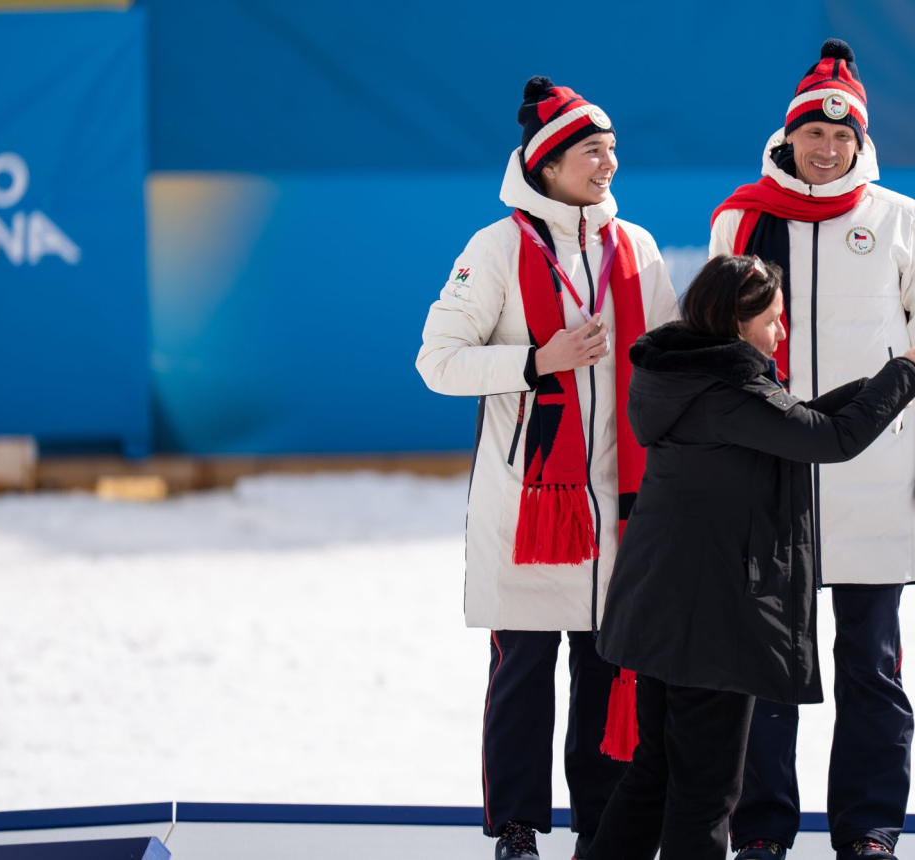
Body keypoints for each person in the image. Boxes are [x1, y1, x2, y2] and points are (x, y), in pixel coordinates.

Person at [586, 254, 915, 860]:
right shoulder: (725, 392)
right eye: (772, 321)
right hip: (708, 620)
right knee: (706, 791)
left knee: (655, 773)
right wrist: (904, 373)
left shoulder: (687, 375)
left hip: (659, 605)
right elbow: (828, 439)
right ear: (736, 323)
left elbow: (800, 419)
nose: (780, 334)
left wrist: (880, 381)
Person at [708, 39, 915, 860]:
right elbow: (720, 353)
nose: (826, 151)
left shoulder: (902, 220)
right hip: (770, 479)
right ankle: (760, 833)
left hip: (875, 483)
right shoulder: (742, 218)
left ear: (861, 144)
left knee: (871, 670)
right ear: (787, 139)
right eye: (812, 137)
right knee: (766, 675)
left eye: (843, 138)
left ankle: (867, 831)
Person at [415, 76, 679, 860]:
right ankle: (518, 829)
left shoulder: (636, 247)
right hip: (530, 508)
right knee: (524, 677)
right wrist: (538, 360)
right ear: (549, 163)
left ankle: (603, 830)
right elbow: (437, 362)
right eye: (593, 152)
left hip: (621, 504)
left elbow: (665, 354)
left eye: (612, 151)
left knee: (607, 676)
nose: (609, 165)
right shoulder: (494, 249)